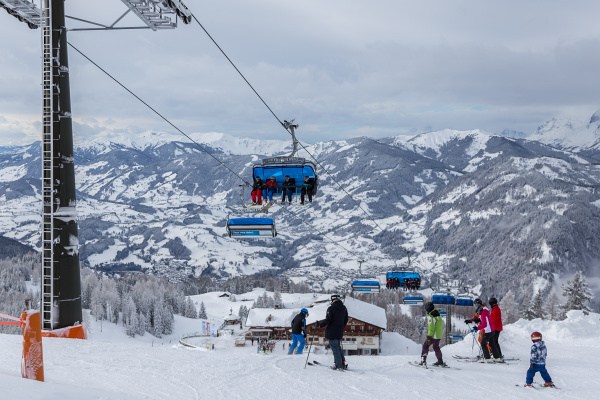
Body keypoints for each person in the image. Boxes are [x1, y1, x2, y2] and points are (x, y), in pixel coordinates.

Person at [318, 294, 348, 370]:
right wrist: (340, 326)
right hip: (339, 331)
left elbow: (328, 320)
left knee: (335, 349)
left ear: (333, 300)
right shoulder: (344, 308)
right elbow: (346, 320)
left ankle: (339, 366)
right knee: (338, 347)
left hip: (332, 332)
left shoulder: (331, 308)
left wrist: (320, 324)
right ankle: (342, 363)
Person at [420, 301, 446, 367]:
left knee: (425, 346)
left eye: (426, 308)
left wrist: (429, 337)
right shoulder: (437, 314)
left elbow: (431, 327)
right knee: (436, 347)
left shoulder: (431, 316)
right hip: (438, 335)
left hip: (433, 335)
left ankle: (423, 361)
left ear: (428, 308)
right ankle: (440, 361)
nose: (425, 309)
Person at [489, 297, 504, 362]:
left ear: (492, 303)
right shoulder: (495, 309)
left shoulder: (496, 310)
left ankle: (496, 355)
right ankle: (498, 355)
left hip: (496, 328)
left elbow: (495, 320)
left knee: (493, 342)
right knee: (494, 342)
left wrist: (489, 323)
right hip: (496, 327)